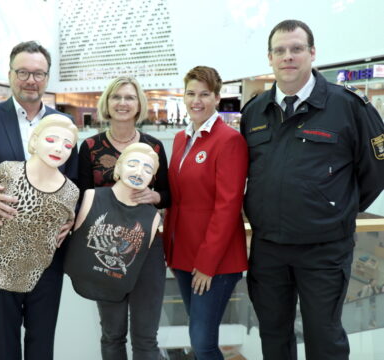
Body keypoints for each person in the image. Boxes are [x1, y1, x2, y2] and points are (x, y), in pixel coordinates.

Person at [241, 19, 384, 360]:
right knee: (273, 335)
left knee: (324, 338)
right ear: (270, 58)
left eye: (296, 49)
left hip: (323, 250)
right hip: (269, 248)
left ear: (312, 53)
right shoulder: (254, 111)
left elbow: (375, 171)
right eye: (280, 50)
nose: (287, 57)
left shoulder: (348, 106)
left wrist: (335, 208)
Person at [0, 41, 77, 360]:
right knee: (5, 341)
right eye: (23, 72)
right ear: (10, 74)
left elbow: (76, 184)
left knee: (42, 341)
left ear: (47, 78)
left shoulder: (64, 126)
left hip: (48, 253)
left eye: (38, 73)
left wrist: (72, 219)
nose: (30, 80)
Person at [77, 76, 170, 360]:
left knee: (145, 338)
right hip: (104, 250)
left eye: (129, 97)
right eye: (117, 97)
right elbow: (81, 197)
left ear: (139, 104)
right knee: (113, 334)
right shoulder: (90, 146)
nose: (122, 103)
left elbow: (168, 192)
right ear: (107, 103)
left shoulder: (154, 146)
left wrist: (156, 197)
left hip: (146, 247)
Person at [163, 66, 248, 360]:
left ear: (216, 97)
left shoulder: (229, 140)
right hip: (183, 255)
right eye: (190, 93)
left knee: (203, 343)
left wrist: (207, 263)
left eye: (204, 94)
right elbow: (177, 198)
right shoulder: (180, 138)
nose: (196, 101)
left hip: (215, 261)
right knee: (197, 335)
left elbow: (228, 205)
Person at [0, 115, 79, 293]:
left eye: (67, 145)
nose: (59, 149)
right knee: (4, 319)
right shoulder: (9, 171)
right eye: (51, 140)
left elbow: (69, 219)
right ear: (35, 141)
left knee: (43, 320)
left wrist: (71, 222)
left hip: (43, 270)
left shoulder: (71, 191)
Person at [65, 143, 161, 304]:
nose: (139, 172)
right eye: (132, 164)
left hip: (119, 287)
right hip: (76, 283)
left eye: (147, 169)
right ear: (118, 168)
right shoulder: (91, 196)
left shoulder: (153, 216)